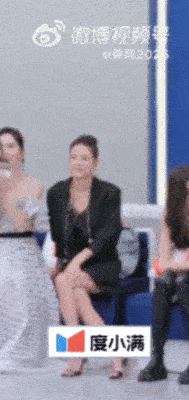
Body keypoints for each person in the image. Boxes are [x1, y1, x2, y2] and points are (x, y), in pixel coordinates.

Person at [0, 127, 58, 372]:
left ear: (22, 153)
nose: (4, 152)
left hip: (23, 248)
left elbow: (30, 222)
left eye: (11, 146)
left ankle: (20, 352)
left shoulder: (34, 185)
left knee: (22, 287)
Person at [47, 134, 125, 378]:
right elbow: (58, 236)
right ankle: (116, 354)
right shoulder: (57, 193)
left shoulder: (109, 193)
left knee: (64, 281)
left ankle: (76, 354)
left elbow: (107, 237)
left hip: (103, 264)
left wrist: (75, 263)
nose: (77, 163)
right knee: (76, 292)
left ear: (95, 163)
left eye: (84, 158)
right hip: (72, 267)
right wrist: (59, 264)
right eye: (73, 157)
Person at [137, 165, 189, 384]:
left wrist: (173, 265)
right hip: (179, 268)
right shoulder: (170, 212)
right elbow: (164, 254)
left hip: (184, 270)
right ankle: (157, 360)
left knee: (183, 283)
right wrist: (171, 266)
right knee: (163, 283)